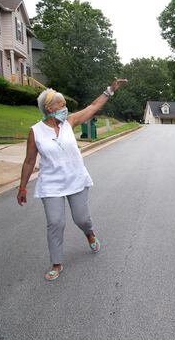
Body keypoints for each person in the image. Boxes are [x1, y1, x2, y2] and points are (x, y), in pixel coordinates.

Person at [17, 78, 128, 281]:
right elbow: (29, 161)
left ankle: (89, 234)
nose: (65, 108)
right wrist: (22, 187)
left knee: (81, 218)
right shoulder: (36, 132)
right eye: (61, 105)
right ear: (49, 108)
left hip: (75, 179)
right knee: (55, 222)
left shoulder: (69, 123)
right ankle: (56, 262)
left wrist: (110, 90)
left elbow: (93, 106)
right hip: (51, 184)